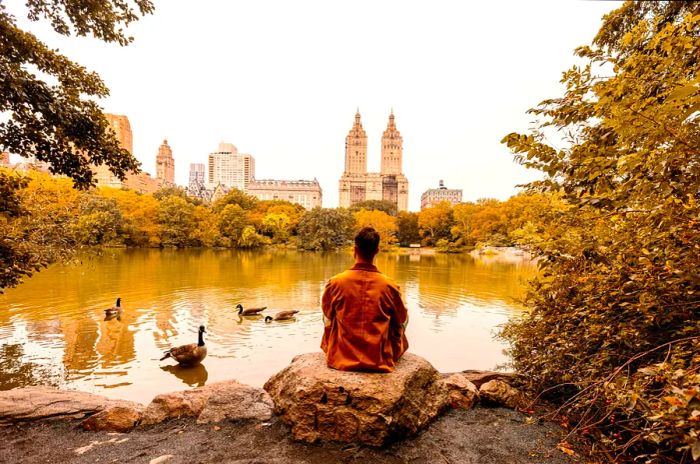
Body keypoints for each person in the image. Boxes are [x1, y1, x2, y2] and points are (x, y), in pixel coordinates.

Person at [321, 227, 409, 372]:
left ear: (354, 249)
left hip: (340, 358)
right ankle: (386, 350)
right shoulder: (389, 285)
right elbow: (401, 319)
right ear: (377, 251)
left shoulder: (336, 282)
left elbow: (328, 314)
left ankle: (336, 348)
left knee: (327, 315)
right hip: (379, 359)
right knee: (403, 316)